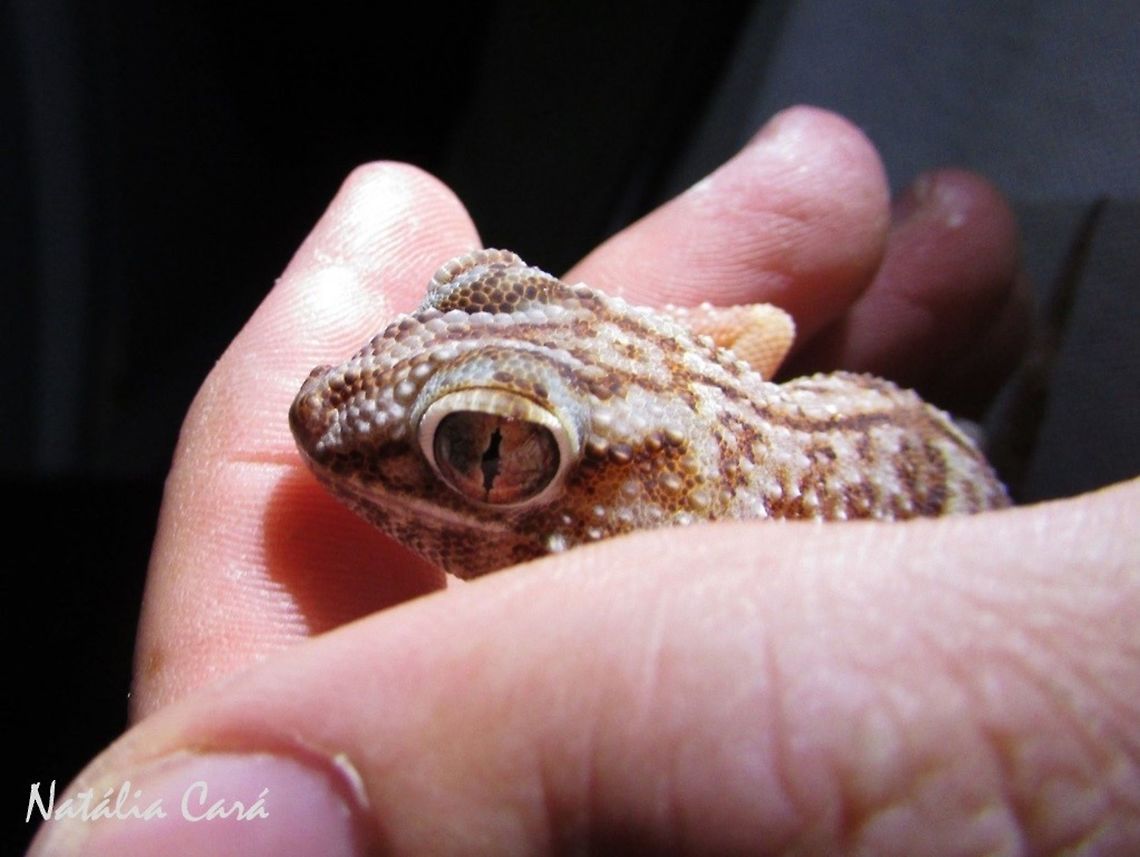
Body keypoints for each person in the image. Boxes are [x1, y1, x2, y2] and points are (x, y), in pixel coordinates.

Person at [27, 107, 1138, 855]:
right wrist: (651, 372)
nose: (330, 408)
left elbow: (761, 330)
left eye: (489, 454)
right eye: (465, 296)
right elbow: (764, 325)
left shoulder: (707, 584)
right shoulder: (683, 454)